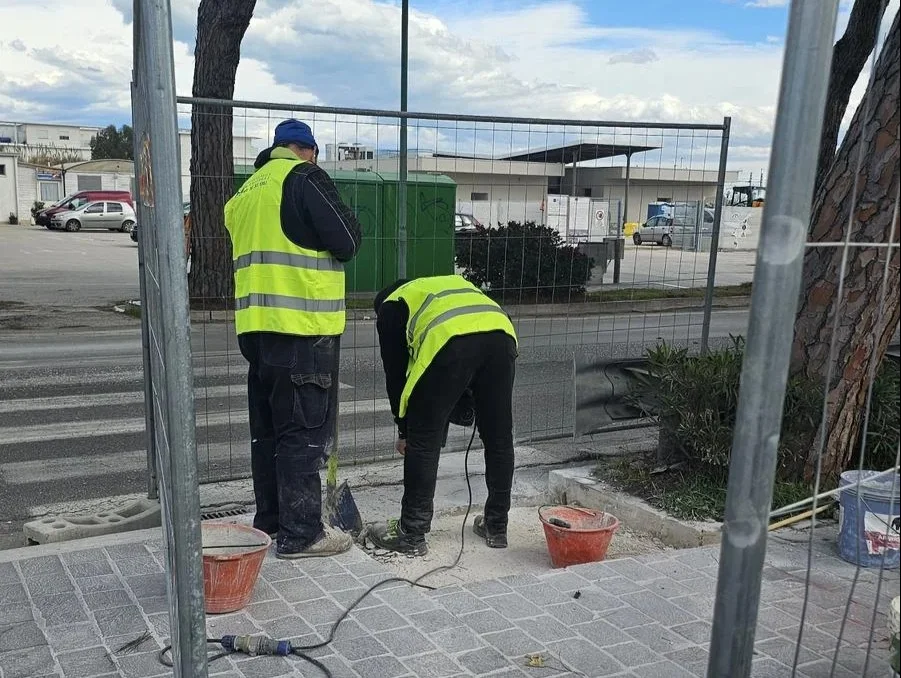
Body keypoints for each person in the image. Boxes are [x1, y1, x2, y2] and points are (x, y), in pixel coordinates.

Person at [224, 119, 362, 559]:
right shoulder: (304, 178)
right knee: (302, 431)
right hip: (302, 326)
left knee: (268, 432)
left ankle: (271, 521)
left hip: (256, 330)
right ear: (309, 151)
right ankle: (302, 534)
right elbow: (348, 241)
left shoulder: (244, 194)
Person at [368, 274, 518, 555]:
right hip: (502, 334)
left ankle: (412, 533)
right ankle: (497, 526)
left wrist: (405, 430)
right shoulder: (438, 288)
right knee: (499, 437)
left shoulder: (390, 306)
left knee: (423, 440)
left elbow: (397, 377)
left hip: (450, 341)